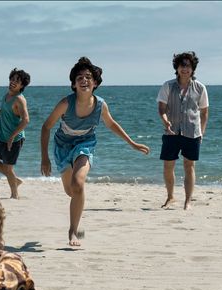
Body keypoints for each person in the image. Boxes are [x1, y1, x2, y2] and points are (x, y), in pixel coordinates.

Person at [40, 57, 150, 247]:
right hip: (63, 146)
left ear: (95, 83)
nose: (84, 80)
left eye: (88, 77)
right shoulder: (66, 104)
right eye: (80, 78)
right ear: (74, 84)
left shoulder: (100, 105)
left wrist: (132, 143)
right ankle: (76, 212)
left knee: (78, 184)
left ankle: (73, 231)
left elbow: (111, 124)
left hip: (85, 143)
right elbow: (46, 127)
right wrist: (44, 158)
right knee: (70, 191)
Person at [157, 51, 209, 210]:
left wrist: (202, 133)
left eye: (188, 66)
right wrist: (165, 119)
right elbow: (162, 108)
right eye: (182, 66)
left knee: (189, 165)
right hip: (171, 132)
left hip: (192, 132)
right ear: (177, 68)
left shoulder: (200, 88)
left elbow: (204, 112)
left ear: (193, 69)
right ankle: (171, 197)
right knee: (168, 166)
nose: (185, 69)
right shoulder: (168, 85)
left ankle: (188, 201)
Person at [0, 68, 31, 199]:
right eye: (12, 79)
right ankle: (15, 180)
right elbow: (4, 109)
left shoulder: (20, 99)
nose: (13, 82)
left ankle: (14, 195)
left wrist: (12, 136)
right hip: (2, 137)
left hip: (14, 139)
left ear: (22, 85)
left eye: (17, 80)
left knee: (8, 168)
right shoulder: (7, 96)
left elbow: (26, 120)